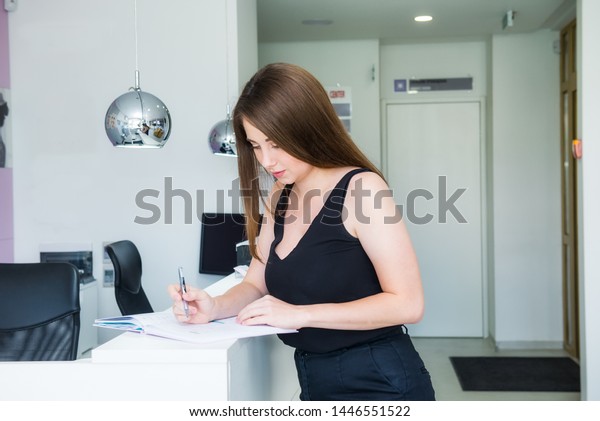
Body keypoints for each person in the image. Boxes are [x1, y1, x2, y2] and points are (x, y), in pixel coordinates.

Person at [168, 63, 435, 401]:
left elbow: (408, 304)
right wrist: (214, 306)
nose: (266, 160)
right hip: (313, 378)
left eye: (276, 143)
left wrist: (300, 315)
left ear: (308, 128)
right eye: (255, 145)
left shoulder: (362, 189)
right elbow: (255, 282)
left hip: (379, 380)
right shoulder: (281, 195)